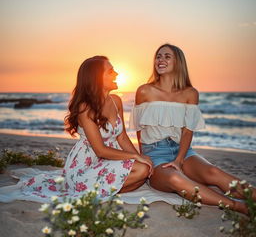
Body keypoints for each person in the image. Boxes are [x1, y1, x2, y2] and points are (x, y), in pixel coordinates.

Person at [0, 56, 152, 203]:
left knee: (144, 169)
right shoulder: (85, 108)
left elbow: (122, 137)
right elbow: (100, 150)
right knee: (141, 171)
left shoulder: (116, 101)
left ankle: (103, 191)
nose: (116, 74)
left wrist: (138, 156)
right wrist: (135, 157)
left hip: (112, 158)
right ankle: (91, 190)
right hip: (87, 165)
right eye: (111, 71)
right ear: (96, 77)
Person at [131, 44, 255, 214]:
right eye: (158, 56)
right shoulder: (144, 91)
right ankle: (239, 206)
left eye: (167, 56)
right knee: (175, 178)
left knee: (213, 172)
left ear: (178, 62)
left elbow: (188, 131)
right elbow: (139, 127)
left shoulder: (190, 93)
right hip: (154, 153)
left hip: (183, 151)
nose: (160, 60)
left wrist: (179, 160)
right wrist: (143, 156)